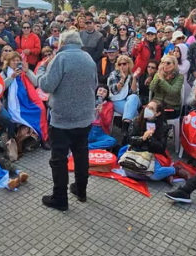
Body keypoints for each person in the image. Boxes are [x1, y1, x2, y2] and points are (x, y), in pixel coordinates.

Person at [36, 30, 98, 211]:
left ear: (61, 43)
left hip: (63, 119)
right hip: (85, 117)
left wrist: (41, 69)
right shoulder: (88, 58)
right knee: (81, 154)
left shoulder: (60, 58)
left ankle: (60, 198)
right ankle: (81, 190)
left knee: (59, 159)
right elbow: (94, 85)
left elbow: (47, 85)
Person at [120, 100, 184, 182]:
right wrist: (142, 138)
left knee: (154, 175)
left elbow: (161, 148)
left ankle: (175, 170)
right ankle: (164, 176)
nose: (147, 109)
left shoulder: (163, 126)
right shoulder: (136, 120)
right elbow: (129, 139)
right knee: (128, 171)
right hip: (137, 151)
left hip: (153, 154)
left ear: (157, 113)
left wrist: (150, 139)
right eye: (147, 107)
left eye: (151, 109)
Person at [108, 55, 142, 132]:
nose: (122, 66)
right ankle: (128, 131)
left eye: (124, 63)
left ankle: (125, 129)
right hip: (117, 100)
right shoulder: (114, 74)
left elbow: (134, 92)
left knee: (133, 97)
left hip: (132, 100)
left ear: (129, 64)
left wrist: (134, 78)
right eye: (120, 64)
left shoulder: (133, 75)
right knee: (133, 112)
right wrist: (122, 79)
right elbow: (114, 91)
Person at [150, 55, 184, 120]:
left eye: (168, 63)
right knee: (146, 113)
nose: (165, 65)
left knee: (158, 115)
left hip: (171, 106)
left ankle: (162, 130)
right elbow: (152, 88)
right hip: (157, 104)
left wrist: (162, 80)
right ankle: (148, 130)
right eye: (163, 62)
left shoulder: (179, 77)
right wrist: (158, 77)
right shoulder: (158, 74)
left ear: (174, 65)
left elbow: (173, 92)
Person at [87, 84, 117, 150]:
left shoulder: (109, 105)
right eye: (100, 90)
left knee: (112, 141)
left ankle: (87, 147)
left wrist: (101, 113)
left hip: (101, 131)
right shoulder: (89, 101)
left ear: (107, 94)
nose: (101, 92)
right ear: (96, 91)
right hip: (89, 130)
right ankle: (88, 146)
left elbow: (107, 123)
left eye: (104, 91)